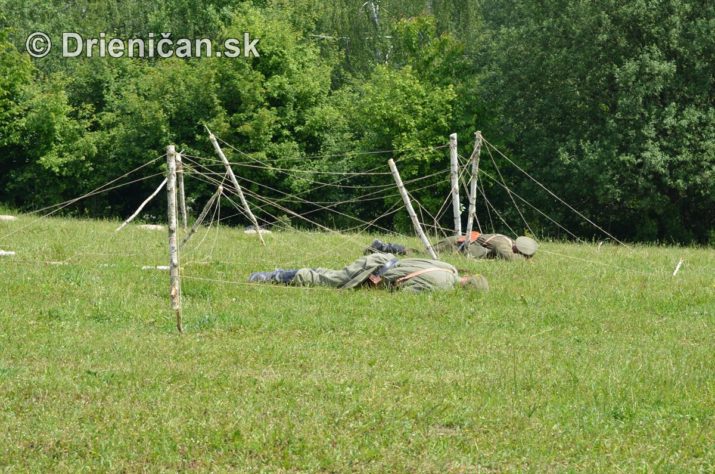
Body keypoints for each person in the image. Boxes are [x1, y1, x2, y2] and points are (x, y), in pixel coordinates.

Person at [248, 252, 489, 293]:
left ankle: (284, 275)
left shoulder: (450, 268)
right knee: (331, 280)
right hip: (374, 271)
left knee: (329, 275)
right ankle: (275, 276)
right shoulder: (442, 286)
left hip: (383, 260)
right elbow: (406, 294)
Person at [370, 233, 538, 261]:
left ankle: (382, 248)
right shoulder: (504, 244)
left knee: (423, 254)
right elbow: (508, 257)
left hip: (458, 244)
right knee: (423, 255)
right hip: (456, 246)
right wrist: (523, 261)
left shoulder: (505, 239)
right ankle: (382, 247)